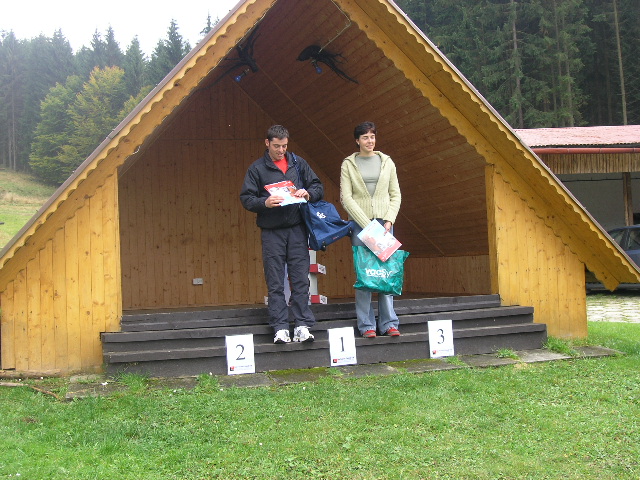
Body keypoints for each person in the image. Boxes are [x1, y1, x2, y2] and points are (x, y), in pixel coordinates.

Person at [240, 125, 324, 344]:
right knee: (275, 281)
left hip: (297, 229)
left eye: (284, 146)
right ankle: (280, 327)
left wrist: (308, 193)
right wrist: (265, 203)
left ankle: (302, 325)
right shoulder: (257, 169)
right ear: (267, 143)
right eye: (277, 146)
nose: (281, 150)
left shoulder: (298, 163)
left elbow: (318, 187)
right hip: (272, 232)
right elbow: (246, 198)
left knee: (300, 279)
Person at [340, 121, 402, 338]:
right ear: (357, 140)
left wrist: (389, 220)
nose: (370, 141)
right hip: (361, 226)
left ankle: (389, 323)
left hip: (384, 226)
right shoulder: (348, 164)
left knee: (386, 273)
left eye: (372, 136)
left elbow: (395, 194)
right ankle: (366, 325)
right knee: (365, 274)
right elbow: (346, 197)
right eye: (365, 137)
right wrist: (366, 224)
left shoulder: (387, 162)